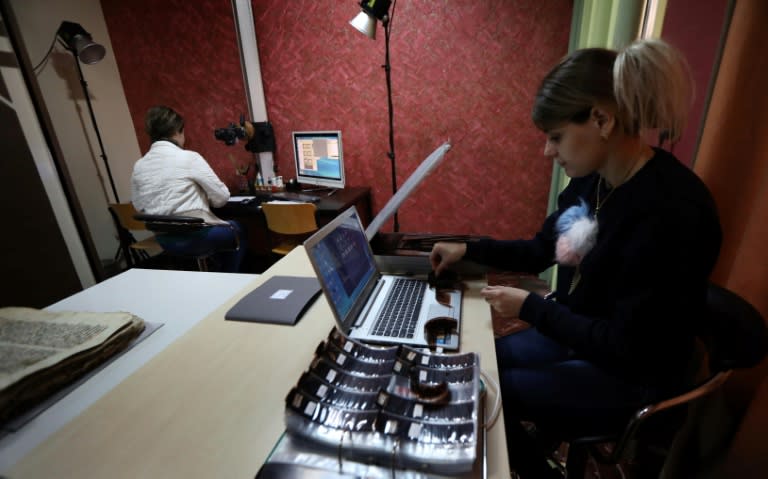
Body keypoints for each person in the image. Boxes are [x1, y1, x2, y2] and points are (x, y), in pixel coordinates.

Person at [430, 39, 722, 478]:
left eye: (556, 137)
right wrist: (468, 250)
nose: (549, 151)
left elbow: (627, 347)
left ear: (601, 119)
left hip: (631, 372)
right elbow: (536, 251)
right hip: (583, 335)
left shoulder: (673, 210)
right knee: (474, 361)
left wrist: (531, 308)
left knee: (482, 391)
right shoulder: (593, 182)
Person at [132, 105, 246, 273]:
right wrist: (204, 198)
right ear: (178, 132)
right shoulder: (188, 158)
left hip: (165, 240)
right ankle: (230, 278)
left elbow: (138, 206)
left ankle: (212, 276)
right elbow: (221, 198)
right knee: (237, 229)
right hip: (197, 238)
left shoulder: (139, 166)